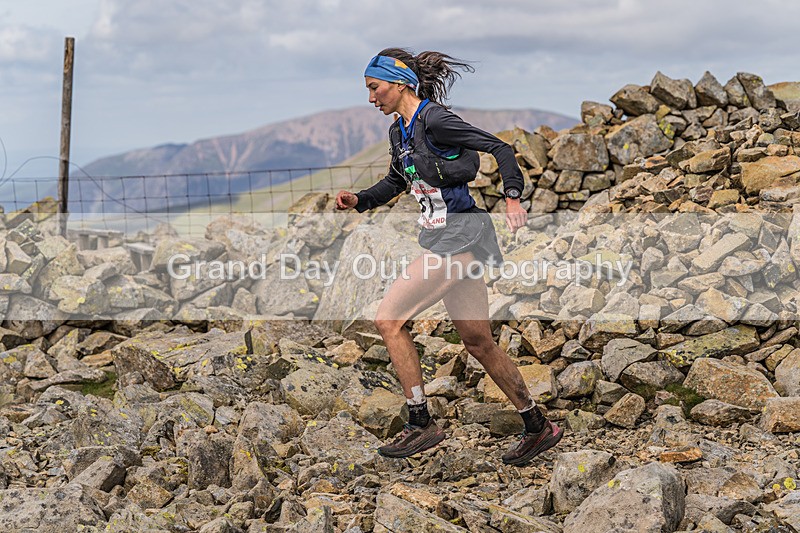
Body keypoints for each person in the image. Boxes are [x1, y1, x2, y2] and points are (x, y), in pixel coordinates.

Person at [335, 48, 563, 466]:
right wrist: (360, 200)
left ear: (400, 82)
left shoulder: (434, 119)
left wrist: (513, 198)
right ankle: (538, 427)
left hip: (462, 236)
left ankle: (420, 422)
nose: (370, 98)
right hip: (448, 237)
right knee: (478, 342)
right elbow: (396, 181)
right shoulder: (399, 132)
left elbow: (501, 149)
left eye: (374, 88)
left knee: (389, 319)